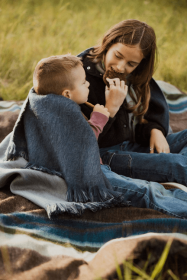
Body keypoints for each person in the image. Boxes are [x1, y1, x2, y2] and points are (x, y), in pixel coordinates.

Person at [32, 54, 187, 219]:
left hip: (97, 166)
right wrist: (99, 119)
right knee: (146, 191)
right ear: (67, 94)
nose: (88, 84)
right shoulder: (57, 117)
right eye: (84, 83)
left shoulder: (67, 106)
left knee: (150, 188)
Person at [78, 19, 187, 186]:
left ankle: (166, 170)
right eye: (118, 56)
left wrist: (155, 130)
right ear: (108, 44)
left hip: (134, 144)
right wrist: (111, 107)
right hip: (106, 154)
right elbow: (83, 141)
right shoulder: (80, 79)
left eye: (131, 64)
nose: (121, 67)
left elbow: (149, 113)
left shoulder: (136, 77)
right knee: (177, 166)